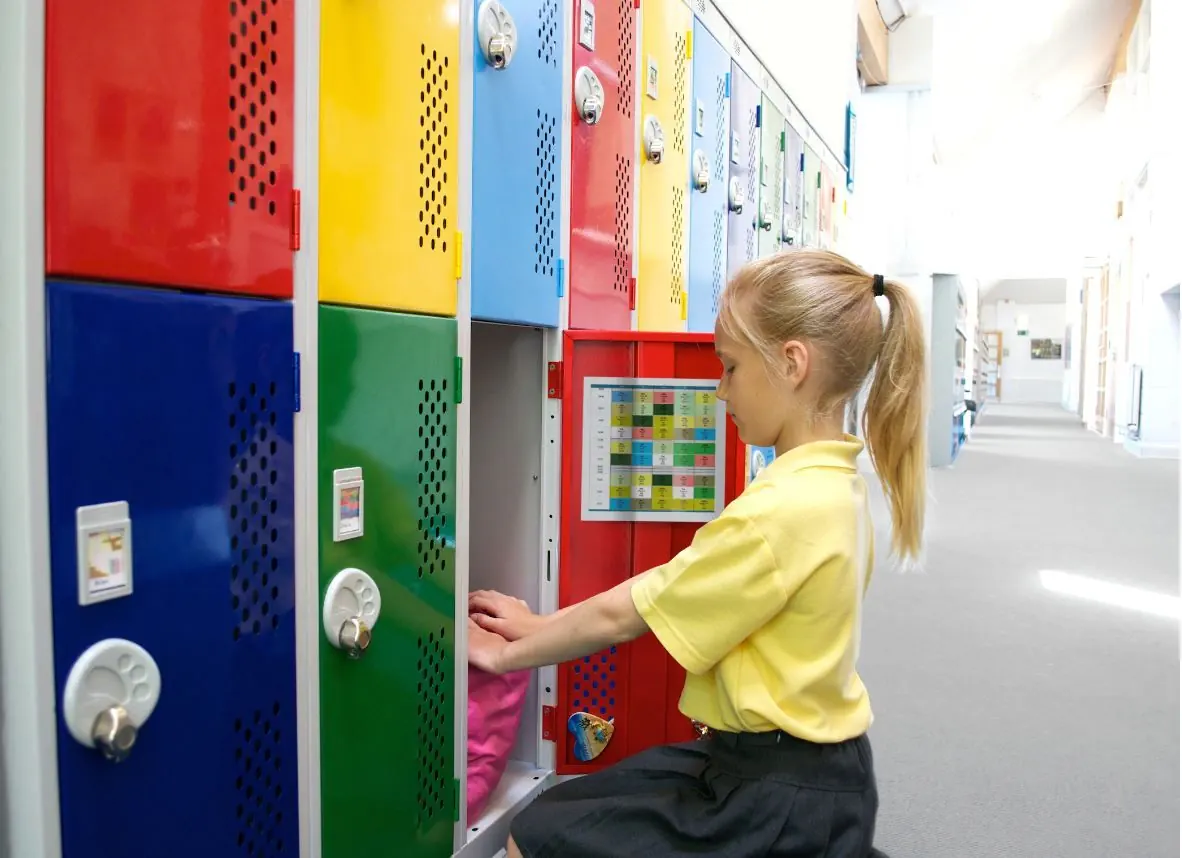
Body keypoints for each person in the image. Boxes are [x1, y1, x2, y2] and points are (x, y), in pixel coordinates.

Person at [467, 248, 927, 858]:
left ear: (792, 364)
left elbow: (624, 617)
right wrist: (539, 624)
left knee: (541, 837)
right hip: (805, 769)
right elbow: (661, 587)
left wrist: (509, 657)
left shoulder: (782, 508)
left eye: (731, 368)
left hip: (774, 794)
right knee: (559, 813)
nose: (717, 390)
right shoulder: (833, 483)